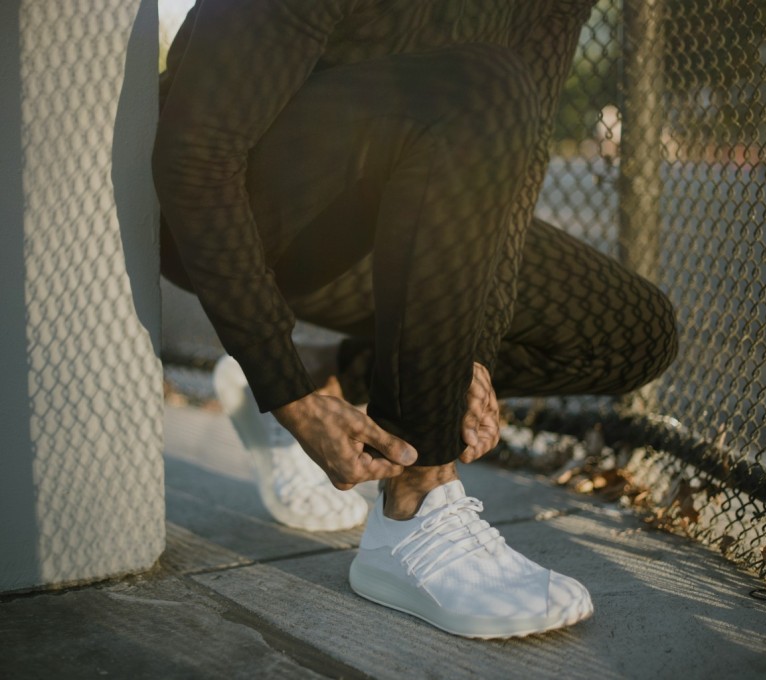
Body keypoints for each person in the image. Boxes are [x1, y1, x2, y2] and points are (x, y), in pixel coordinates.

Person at [154, 0, 678, 638]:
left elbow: (514, 176)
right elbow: (197, 160)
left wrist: (474, 350)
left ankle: (335, 381)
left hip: (403, 212)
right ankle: (414, 512)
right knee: (480, 86)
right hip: (246, 212)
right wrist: (281, 387)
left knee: (633, 331)